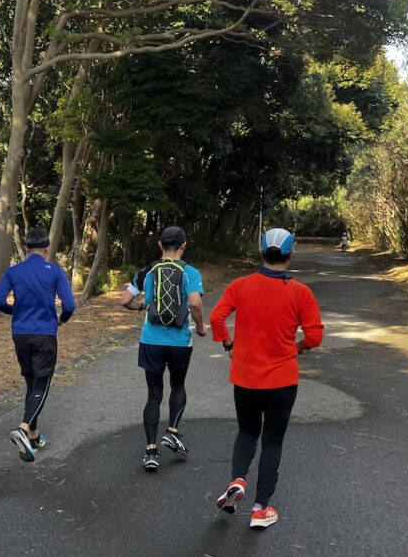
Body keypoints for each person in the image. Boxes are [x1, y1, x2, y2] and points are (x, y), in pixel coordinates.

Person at [210, 228, 323, 529]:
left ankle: (237, 480)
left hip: (246, 378)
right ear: (291, 254)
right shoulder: (300, 293)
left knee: (247, 433)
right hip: (282, 380)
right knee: (272, 440)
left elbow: (216, 317)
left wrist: (227, 343)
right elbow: (315, 336)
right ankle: (261, 509)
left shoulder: (240, 286)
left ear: (261, 253)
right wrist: (298, 347)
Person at [119, 226, 206, 472]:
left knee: (153, 394)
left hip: (151, 341)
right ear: (184, 245)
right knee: (178, 385)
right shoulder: (190, 272)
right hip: (179, 342)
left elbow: (124, 300)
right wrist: (200, 326)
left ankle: (150, 451)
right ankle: (172, 432)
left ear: (160, 245)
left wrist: (141, 307)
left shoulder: (147, 271)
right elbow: (195, 303)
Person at [0, 227, 75, 462]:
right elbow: (69, 305)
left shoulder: (14, 271)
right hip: (45, 333)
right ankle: (23, 427)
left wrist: (13, 310)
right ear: (47, 250)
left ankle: (34, 435)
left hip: (20, 333)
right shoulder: (55, 272)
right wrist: (61, 320)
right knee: (42, 383)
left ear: (27, 249)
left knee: (31, 382)